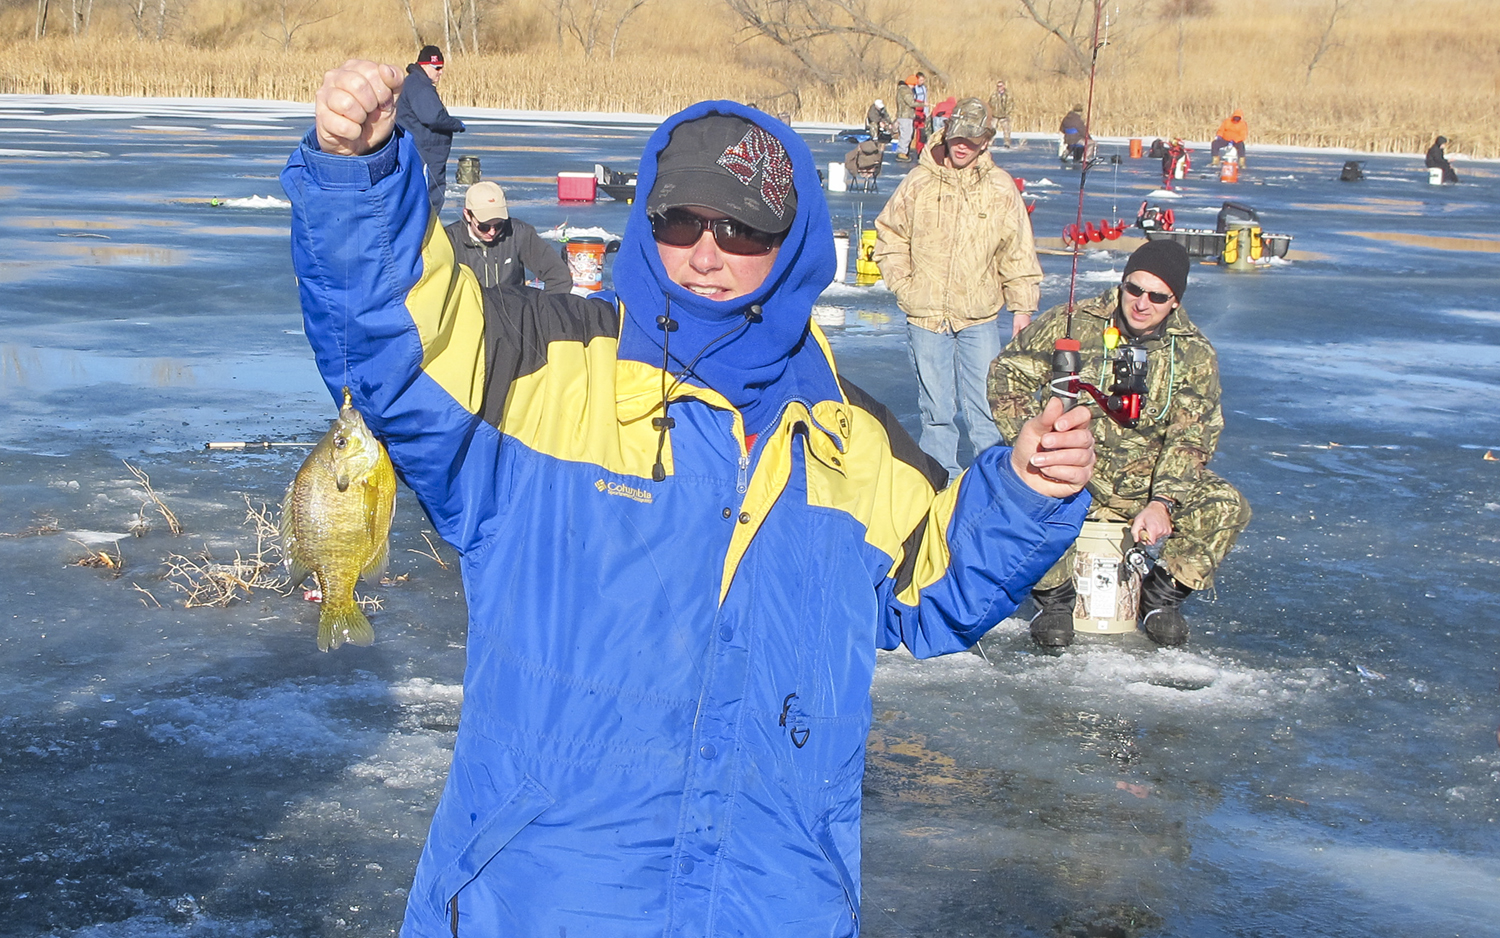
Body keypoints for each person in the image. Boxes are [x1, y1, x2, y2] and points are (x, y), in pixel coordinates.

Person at [286, 59, 1096, 937]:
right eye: (679, 219)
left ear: (791, 245)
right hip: (535, 905)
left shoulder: (850, 438)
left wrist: (1021, 492)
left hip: (773, 909)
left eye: (743, 229)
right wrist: (361, 174)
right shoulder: (538, 371)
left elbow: (933, 587)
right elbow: (396, 343)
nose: (706, 253)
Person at [989, 240, 1251, 648]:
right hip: (1072, 466)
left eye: (1157, 296)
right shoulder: (1073, 322)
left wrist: (1162, 501)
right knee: (1016, 493)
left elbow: (1191, 437)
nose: (1142, 303)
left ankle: (1161, 597)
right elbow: (1008, 371)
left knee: (1225, 503)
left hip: (1145, 482)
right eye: (1134, 289)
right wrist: (1034, 441)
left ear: (1175, 301)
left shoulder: (1193, 353)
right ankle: (1055, 600)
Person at [874, 97, 1042, 480]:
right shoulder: (919, 181)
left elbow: (1017, 249)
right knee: (936, 412)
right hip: (926, 314)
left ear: (985, 141)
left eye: (973, 138)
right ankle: (940, 483)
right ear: (946, 134)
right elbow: (889, 235)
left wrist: (1022, 307)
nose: (962, 144)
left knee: (986, 409)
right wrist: (905, 285)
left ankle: (992, 483)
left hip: (979, 316)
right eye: (957, 136)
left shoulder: (999, 188)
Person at [444, 181, 572, 293]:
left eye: (499, 225)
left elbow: (559, 276)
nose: (492, 232)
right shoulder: (448, 239)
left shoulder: (519, 233)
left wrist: (543, 313)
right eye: (484, 227)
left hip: (512, 315)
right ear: (467, 215)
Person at [395, 44, 466, 212]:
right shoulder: (420, 86)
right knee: (429, 196)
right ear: (425, 65)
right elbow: (432, 117)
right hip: (424, 152)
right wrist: (456, 124)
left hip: (423, 151)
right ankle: (425, 232)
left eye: (442, 67)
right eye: (437, 68)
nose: (440, 72)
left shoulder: (416, 83)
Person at [894, 78, 917, 160]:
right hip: (906, 116)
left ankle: (903, 152)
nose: (914, 87)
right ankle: (902, 153)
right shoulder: (905, 91)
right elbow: (911, 103)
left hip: (904, 116)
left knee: (905, 134)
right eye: (914, 85)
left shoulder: (901, 90)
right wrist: (923, 104)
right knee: (906, 135)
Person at [987, 79, 1013, 148]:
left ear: (1004, 86)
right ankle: (990, 142)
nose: (999, 87)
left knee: (1006, 130)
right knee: (992, 129)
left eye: (1000, 86)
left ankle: (1007, 143)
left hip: (1004, 116)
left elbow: (1010, 105)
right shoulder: (993, 95)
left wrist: (1007, 113)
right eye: (998, 86)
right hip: (995, 115)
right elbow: (989, 104)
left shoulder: (1008, 95)